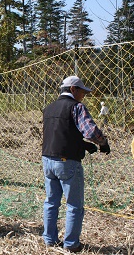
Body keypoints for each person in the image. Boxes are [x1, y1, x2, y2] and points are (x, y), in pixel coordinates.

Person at [42, 76, 110, 253]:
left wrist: (81, 144)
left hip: (47, 160)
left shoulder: (49, 108)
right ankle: (71, 244)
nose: (83, 96)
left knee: (51, 202)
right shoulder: (76, 107)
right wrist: (102, 143)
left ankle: (49, 239)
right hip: (67, 162)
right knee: (74, 205)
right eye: (82, 92)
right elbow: (91, 131)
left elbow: (61, 133)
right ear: (73, 89)